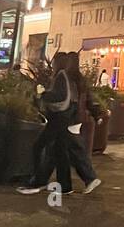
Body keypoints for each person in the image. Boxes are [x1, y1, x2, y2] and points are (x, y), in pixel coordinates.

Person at [18, 53, 76, 195]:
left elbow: (59, 96)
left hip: (58, 118)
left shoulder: (61, 76)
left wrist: (43, 93)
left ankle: (37, 179)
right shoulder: (65, 76)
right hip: (63, 117)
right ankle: (64, 185)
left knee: (39, 146)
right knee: (60, 151)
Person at [64, 52, 102, 194]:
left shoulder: (68, 78)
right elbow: (89, 99)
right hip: (77, 118)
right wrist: (96, 113)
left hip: (69, 118)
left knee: (74, 149)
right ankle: (86, 178)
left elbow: (71, 100)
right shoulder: (81, 79)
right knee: (70, 149)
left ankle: (89, 177)